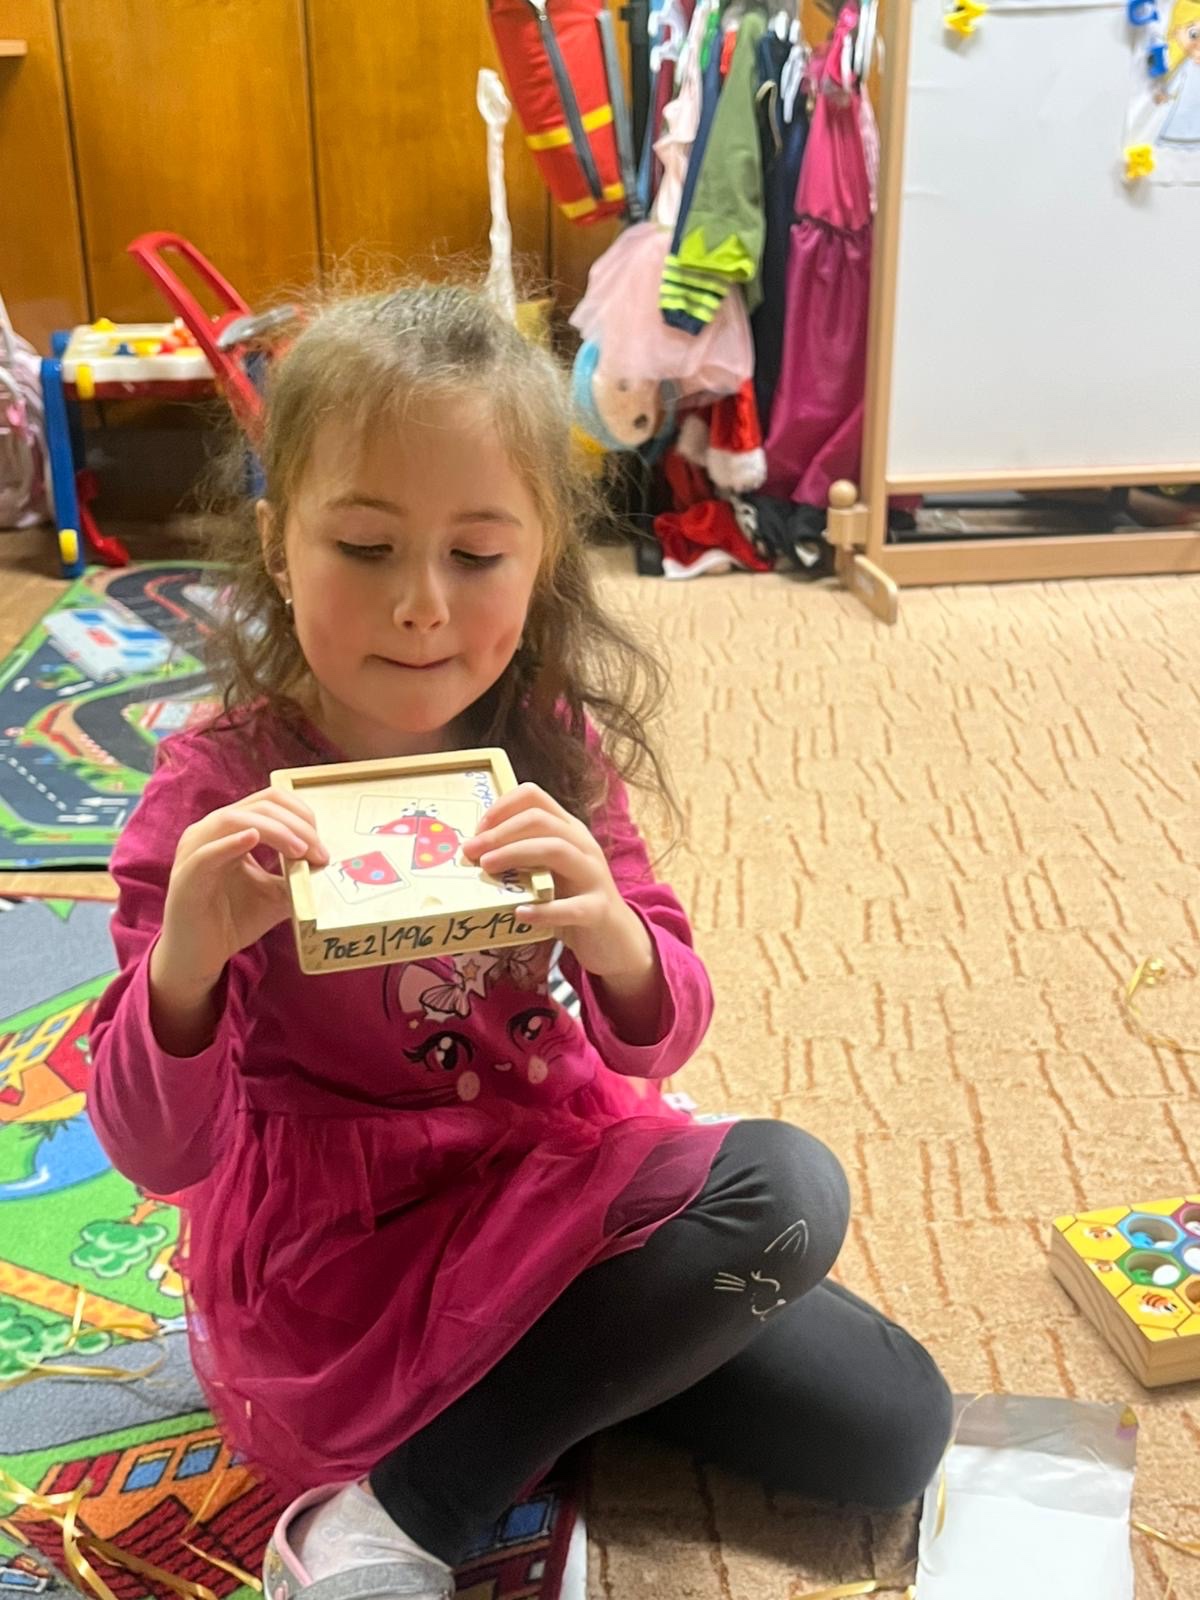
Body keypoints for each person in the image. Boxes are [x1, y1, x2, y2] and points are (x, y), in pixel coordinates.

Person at [88, 284, 951, 1600]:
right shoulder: (215, 794)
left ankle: (533, 1389)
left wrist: (609, 930)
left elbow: (663, 1025)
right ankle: (392, 1517)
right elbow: (154, 1148)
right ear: (277, 542)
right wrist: (186, 967)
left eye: (477, 556)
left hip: (546, 1190)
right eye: (364, 547)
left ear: (542, 557)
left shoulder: (544, 744)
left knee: (893, 1426)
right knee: (787, 1187)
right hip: (353, 1261)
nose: (421, 607)